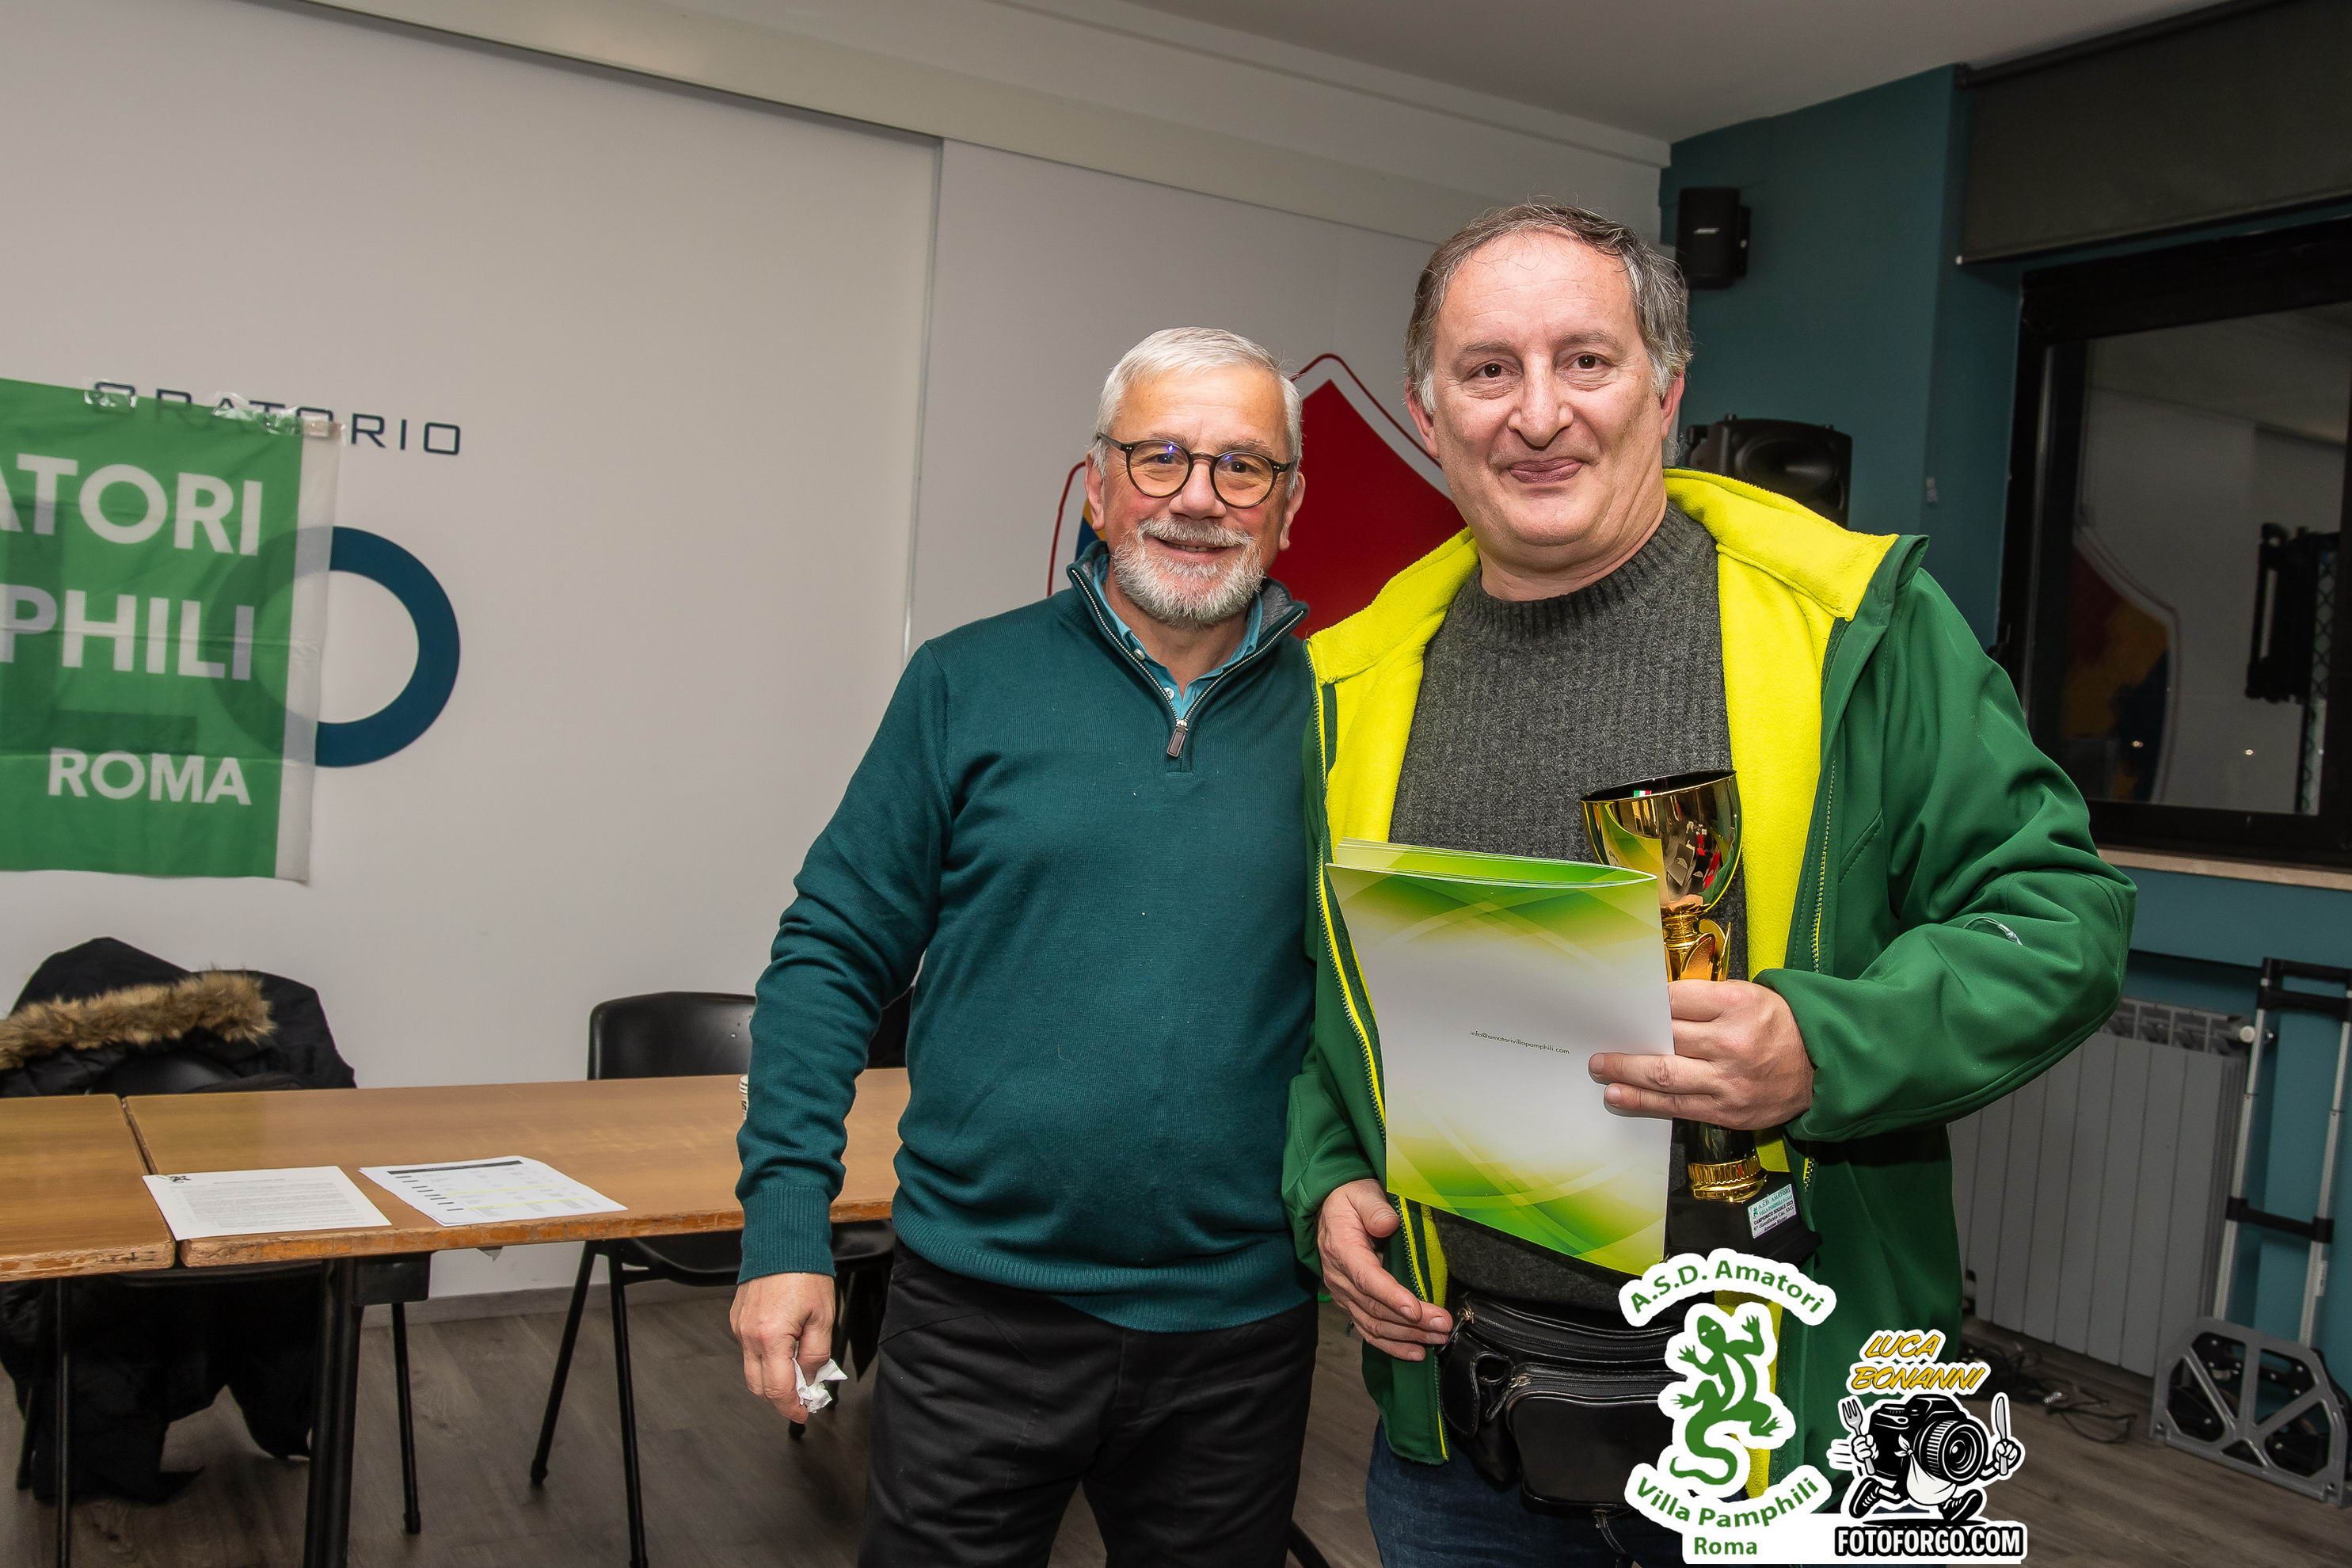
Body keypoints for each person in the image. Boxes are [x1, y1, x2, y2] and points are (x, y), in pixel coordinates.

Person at [1282, 202, 2133, 1566]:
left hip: (1809, 1436)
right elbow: (1322, 1010)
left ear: (1666, 392)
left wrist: (1821, 1045)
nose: (1538, 413)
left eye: (1586, 360)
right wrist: (1326, 1177)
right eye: (1489, 369)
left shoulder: (1851, 623)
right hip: (1464, 1446)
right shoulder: (1349, 681)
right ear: (1428, 413)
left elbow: (2061, 919)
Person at [733, 327, 1322, 1567]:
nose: (1198, 498)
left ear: (1287, 504)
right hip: (979, 1312)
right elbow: (830, 953)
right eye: (1158, 458)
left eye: (1241, 466)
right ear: (1098, 488)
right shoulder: (966, 682)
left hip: (1238, 1329)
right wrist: (786, 1232)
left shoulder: (1343, 716)